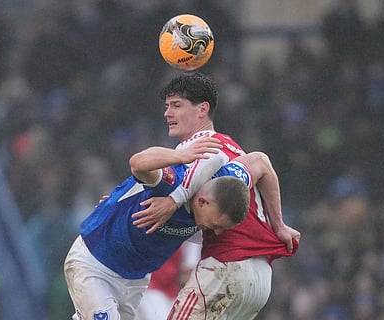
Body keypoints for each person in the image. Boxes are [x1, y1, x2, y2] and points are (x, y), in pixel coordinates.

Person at [131, 72, 301, 319]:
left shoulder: (200, 149)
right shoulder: (229, 145)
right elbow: (262, 163)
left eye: (176, 106)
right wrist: (279, 225)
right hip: (259, 276)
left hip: (227, 264)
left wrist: (163, 202)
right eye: (167, 106)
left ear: (203, 109)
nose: (167, 113)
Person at [64, 136, 283, 320]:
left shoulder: (229, 184)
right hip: (95, 263)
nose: (215, 233)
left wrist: (279, 226)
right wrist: (181, 156)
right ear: (203, 201)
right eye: (215, 225)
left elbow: (261, 161)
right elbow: (138, 162)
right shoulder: (172, 182)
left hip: (135, 279)